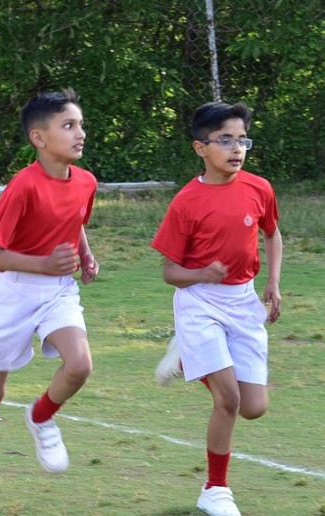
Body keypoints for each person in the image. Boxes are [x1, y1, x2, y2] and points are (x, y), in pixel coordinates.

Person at [0, 89, 100, 514]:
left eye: (80, 124)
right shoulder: (23, 186)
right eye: (68, 126)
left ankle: (41, 414)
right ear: (39, 137)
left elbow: (75, 222)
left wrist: (85, 254)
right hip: (12, 293)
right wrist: (44, 264)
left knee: (79, 365)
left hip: (58, 291)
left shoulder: (86, 181)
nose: (80, 133)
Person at [151, 101, 282, 516]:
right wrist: (202, 274)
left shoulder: (259, 188)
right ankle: (215, 490)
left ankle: (187, 357)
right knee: (228, 400)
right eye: (225, 140)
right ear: (200, 147)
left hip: (243, 301)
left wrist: (273, 283)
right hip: (200, 301)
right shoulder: (186, 201)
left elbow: (272, 234)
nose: (236, 148)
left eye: (242, 139)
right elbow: (170, 272)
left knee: (253, 408)